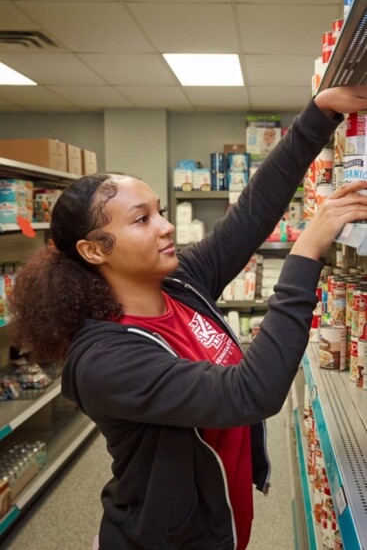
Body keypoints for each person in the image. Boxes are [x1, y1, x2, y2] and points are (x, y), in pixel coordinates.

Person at [8, 86, 367, 550]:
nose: (167, 225)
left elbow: (252, 214)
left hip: (217, 520)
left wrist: (318, 116)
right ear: (94, 249)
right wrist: (307, 251)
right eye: (142, 220)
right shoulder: (105, 360)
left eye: (160, 211)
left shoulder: (179, 284)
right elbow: (252, 392)